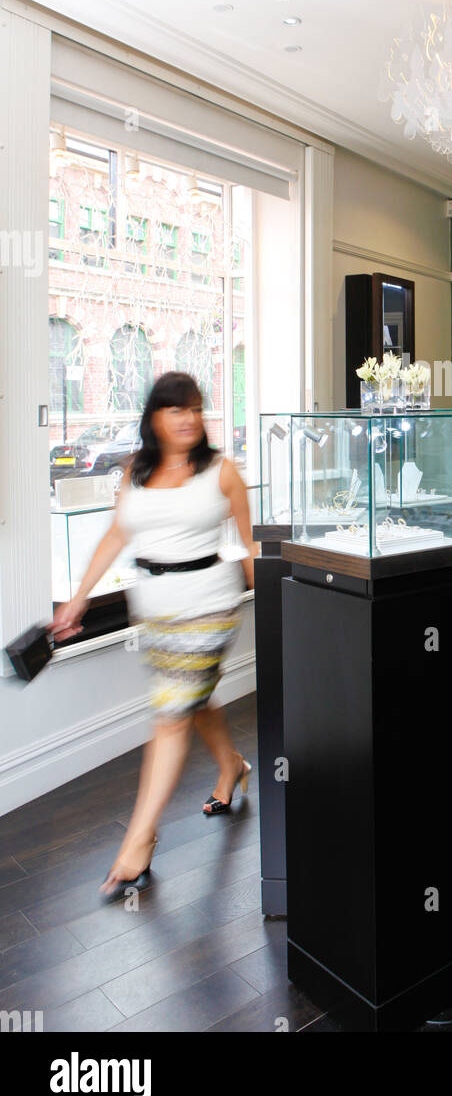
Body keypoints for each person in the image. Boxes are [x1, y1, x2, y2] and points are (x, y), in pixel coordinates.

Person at [51, 372, 257, 903]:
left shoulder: (222, 471)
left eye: (194, 408)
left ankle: (139, 842)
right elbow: (118, 534)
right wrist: (78, 597)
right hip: (158, 615)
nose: (188, 418)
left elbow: (251, 547)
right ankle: (231, 767)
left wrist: (278, 603)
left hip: (210, 607)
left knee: (170, 719)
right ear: (154, 418)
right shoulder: (134, 473)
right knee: (193, 700)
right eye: (174, 409)